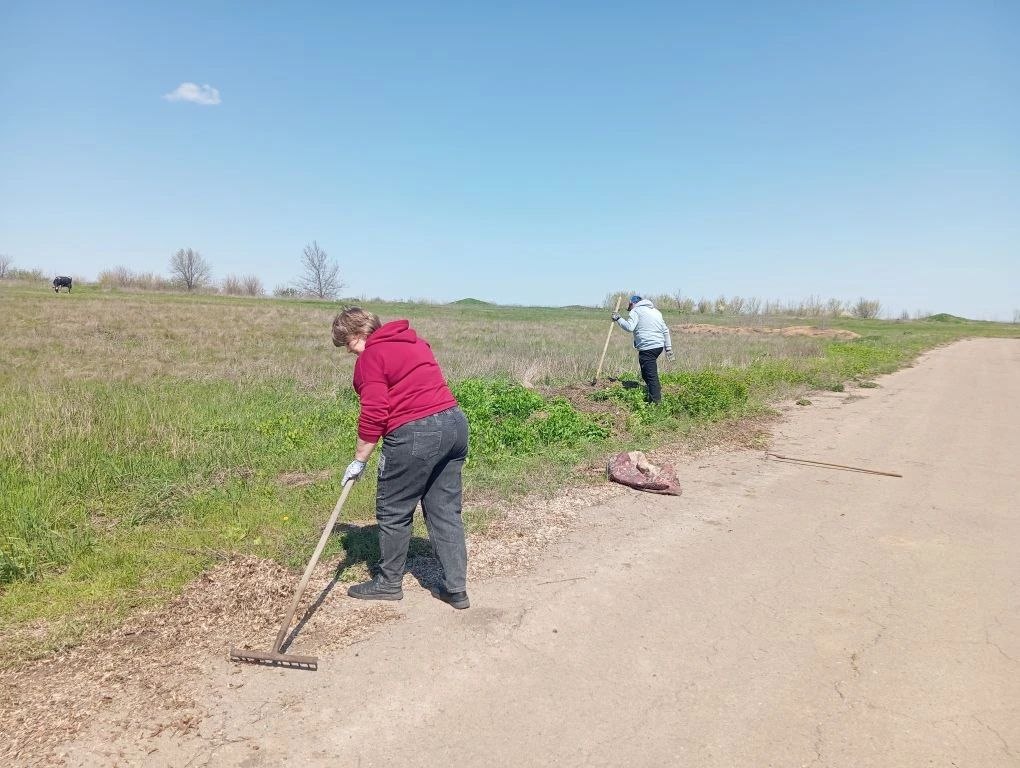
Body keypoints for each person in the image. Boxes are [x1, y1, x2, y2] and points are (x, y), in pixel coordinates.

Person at [332, 307, 471, 609]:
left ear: (359, 333)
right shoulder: (415, 342)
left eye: (348, 344)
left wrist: (359, 459)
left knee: (393, 509)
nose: (350, 352)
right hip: (454, 424)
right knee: (445, 510)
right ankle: (456, 588)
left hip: (416, 433)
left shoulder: (372, 356)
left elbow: (374, 411)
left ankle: (388, 583)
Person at [612, 294, 674, 404]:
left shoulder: (636, 311)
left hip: (648, 347)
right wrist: (668, 348)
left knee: (650, 375)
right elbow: (665, 330)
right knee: (646, 373)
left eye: (630, 305)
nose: (629, 307)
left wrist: (618, 318)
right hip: (658, 347)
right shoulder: (656, 312)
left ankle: (655, 403)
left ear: (632, 303)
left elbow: (630, 327)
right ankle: (654, 389)